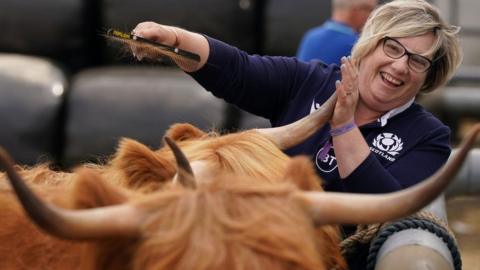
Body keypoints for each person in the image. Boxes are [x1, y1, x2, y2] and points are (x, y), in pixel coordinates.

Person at [130, 0, 462, 268]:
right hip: (253, 247)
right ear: (370, 44)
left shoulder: (429, 137)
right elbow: (238, 70)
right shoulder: (309, 80)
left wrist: (344, 125)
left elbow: (386, 206)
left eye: (418, 61)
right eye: (392, 48)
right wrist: (174, 40)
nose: (401, 66)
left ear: (429, 76)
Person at [297, 0, 378, 65]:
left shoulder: (310, 36)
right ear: (355, 10)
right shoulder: (358, 45)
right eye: (370, 9)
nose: (373, 16)